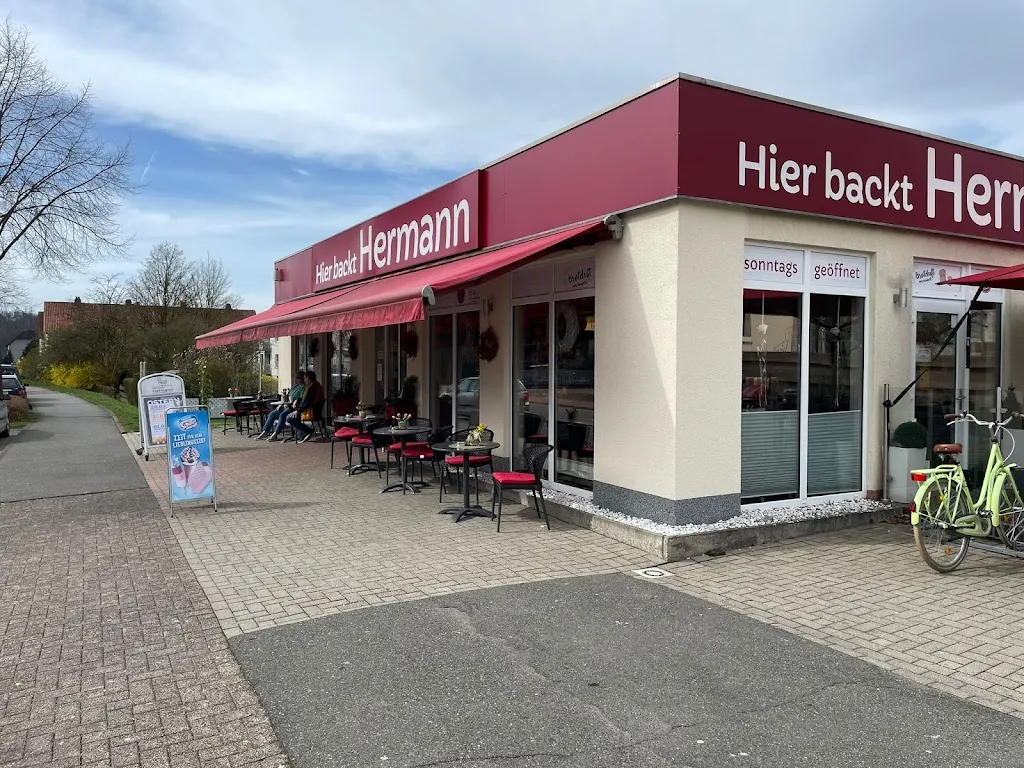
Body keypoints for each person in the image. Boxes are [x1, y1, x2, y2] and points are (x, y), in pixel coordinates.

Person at [256, 369, 306, 440]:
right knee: (272, 413)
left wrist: (293, 401)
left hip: (294, 408)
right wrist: (281, 404)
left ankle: (276, 433)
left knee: (282, 415)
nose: (299, 379)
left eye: (301, 377)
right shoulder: (294, 387)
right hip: (286, 406)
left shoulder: (304, 388)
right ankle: (265, 432)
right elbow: (286, 396)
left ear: (304, 378)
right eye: (298, 377)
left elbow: (300, 399)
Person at [284, 369, 324, 443]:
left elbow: (307, 402)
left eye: (304, 378)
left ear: (308, 378)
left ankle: (308, 431)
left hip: (311, 412)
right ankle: (302, 434)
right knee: (290, 412)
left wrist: (298, 410)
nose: (304, 379)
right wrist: (298, 400)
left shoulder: (311, 388)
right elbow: (305, 399)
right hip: (315, 411)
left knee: (289, 417)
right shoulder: (316, 385)